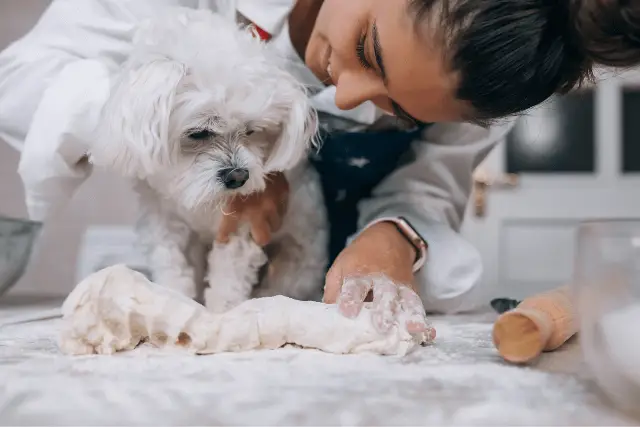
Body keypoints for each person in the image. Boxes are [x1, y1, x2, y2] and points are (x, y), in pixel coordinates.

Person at [0, 0, 637, 328]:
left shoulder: (474, 91)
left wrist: (397, 236)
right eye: (368, 47)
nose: (350, 95)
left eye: (400, 111)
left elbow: (430, 191)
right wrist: (178, 126)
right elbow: (20, 81)